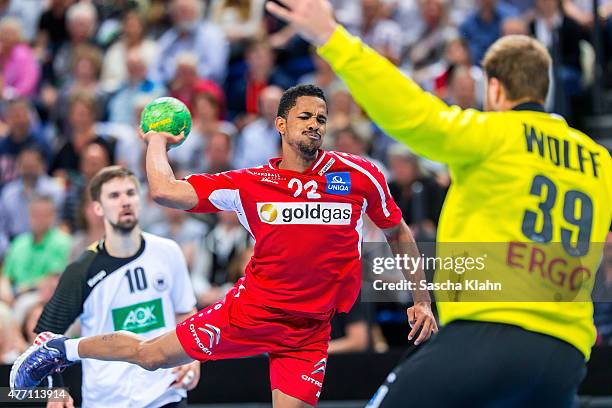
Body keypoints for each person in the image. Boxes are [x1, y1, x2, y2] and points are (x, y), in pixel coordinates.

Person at [263, 1, 612, 407]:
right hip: (567, 355)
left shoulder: (492, 133)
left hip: (490, 333)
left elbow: (412, 114)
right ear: (544, 87)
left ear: (494, 88)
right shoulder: (599, 161)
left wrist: (334, 38)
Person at [11, 84, 437, 408]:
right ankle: (58, 349)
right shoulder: (249, 184)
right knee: (149, 355)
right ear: (281, 124)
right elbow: (164, 190)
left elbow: (398, 232)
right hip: (250, 312)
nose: (315, 124)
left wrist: (421, 299)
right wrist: (156, 141)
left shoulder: (359, 174)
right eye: (305, 116)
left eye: (321, 118)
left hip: (308, 333)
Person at [21, 166, 201, 408]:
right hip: (107, 399)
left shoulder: (168, 251)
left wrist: (192, 358)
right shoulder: (81, 270)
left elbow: (185, 312)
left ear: (140, 199)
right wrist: (56, 388)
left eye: (130, 193)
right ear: (97, 208)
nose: (124, 201)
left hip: (166, 394)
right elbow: (45, 337)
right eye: (114, 196)